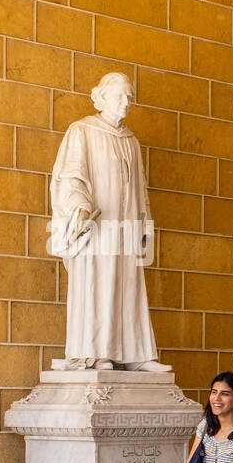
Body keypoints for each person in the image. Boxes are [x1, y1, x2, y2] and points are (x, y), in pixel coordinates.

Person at [48, 70, 170, 372]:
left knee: (129, 285)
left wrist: (144, 225)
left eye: (130, 97)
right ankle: (96, 351)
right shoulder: (82, 131)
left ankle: (135, 354)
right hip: (97, 227)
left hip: (126, 228)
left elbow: (140, 188)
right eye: (119, 96)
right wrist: (79, 209)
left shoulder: (131, 141)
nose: (126, 102)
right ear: (101, 97)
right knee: (98, 285)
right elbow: (69, 176)